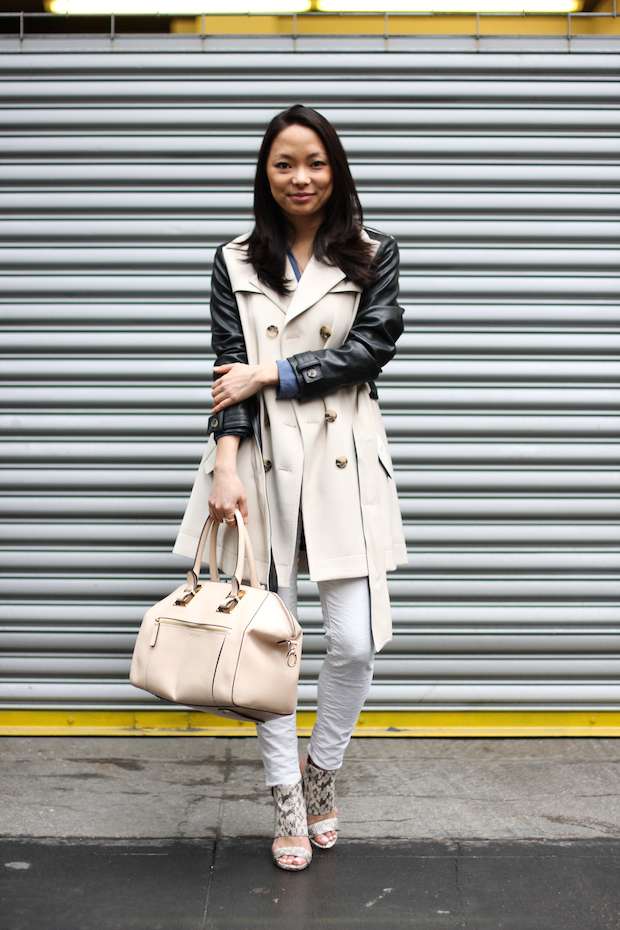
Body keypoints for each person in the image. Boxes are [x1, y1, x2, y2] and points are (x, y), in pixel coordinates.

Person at [173, 104, 407, 871]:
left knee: (354, 639)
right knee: (263, 646)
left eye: (313, 162)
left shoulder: (373, 254)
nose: (300, 177)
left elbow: (369, 351)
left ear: (334, 169)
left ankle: (322, 774)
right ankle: (283, 793)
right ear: (265, 175)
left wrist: (274, 370)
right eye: (284, 164)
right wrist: (226, 467)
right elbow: (224, 371)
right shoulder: (235, 259)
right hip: (262, 462)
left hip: (343, 460)